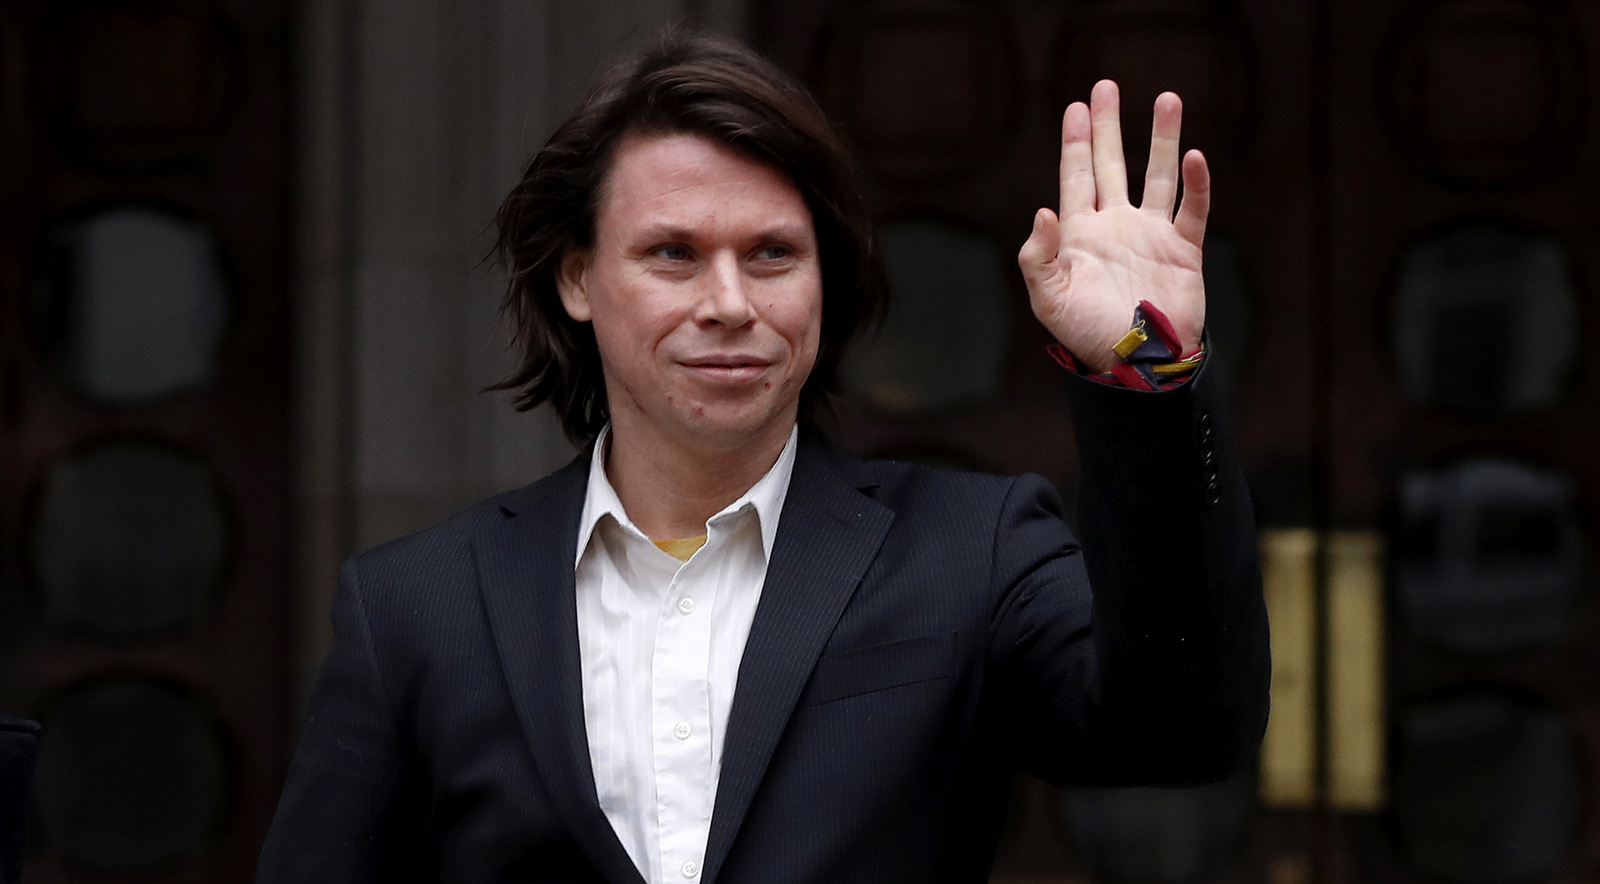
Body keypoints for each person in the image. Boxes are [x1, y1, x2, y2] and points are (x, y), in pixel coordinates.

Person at [258, 31, 1268, 884]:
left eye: (772, 253)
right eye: (673, 254)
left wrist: (1147, 363)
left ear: (824, 281)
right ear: (576, 277)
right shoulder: (414, 606)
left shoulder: (971, 550)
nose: (730, 302)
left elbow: (1181, 730)